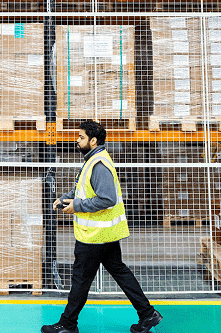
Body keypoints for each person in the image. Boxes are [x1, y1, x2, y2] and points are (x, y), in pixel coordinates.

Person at [42, 120, 162, 333]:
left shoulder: (98, 164)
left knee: (80, 280)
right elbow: (84, 189)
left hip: (94, 236)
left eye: (81, 137)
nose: (77, 141)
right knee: (119, 271)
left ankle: (68, 324)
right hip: (104, 234)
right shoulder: (93, 160)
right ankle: (147, 313)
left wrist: (76, 206)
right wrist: (66, 198)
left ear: (93, 140)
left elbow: (107, 198)